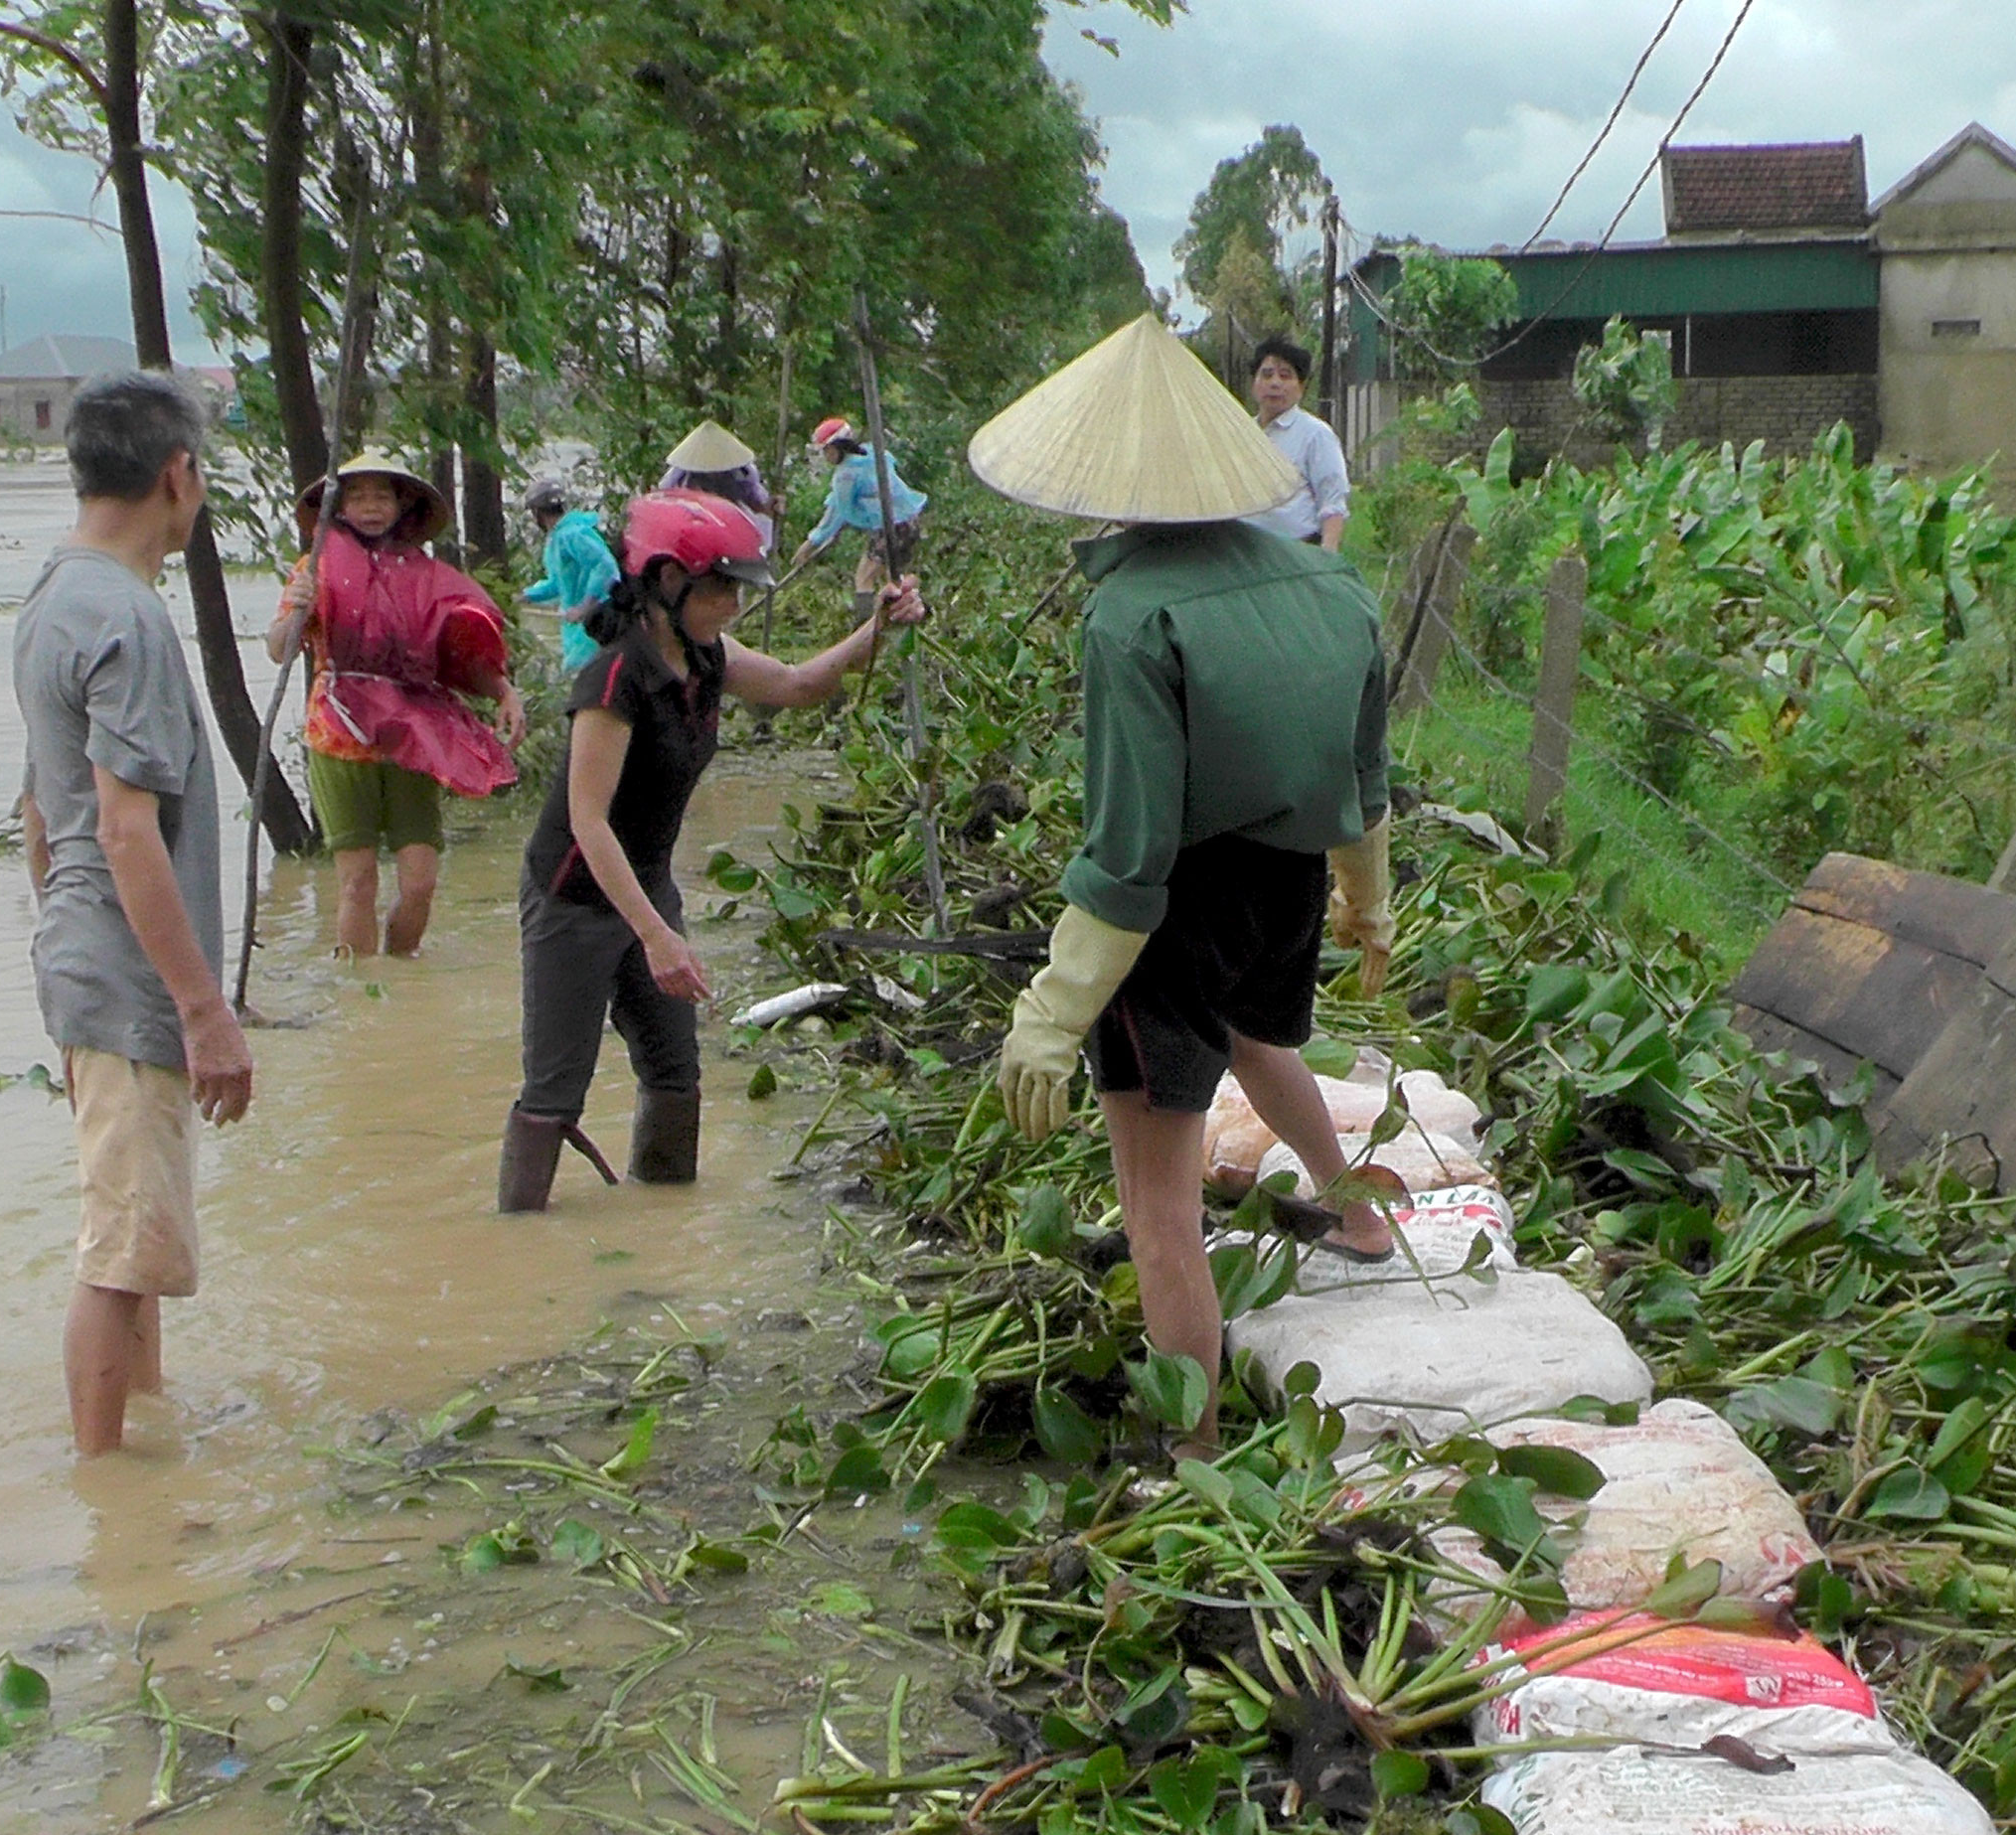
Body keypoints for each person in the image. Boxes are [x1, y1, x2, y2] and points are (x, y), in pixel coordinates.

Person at [966, 315, 1399, 1443]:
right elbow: (1364, 781)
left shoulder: (1129, 617)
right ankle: (1356, 1217)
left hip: (1182, 907)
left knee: (1156, 1206)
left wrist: (1052, 1013)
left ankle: (1191, 1453)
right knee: (1259, 1041)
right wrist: (1368, 903)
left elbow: (1129, 858)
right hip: (1289, 883)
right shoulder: (1333, 586)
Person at [505, 492, 926, 1212]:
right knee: (556, 1091)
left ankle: (663, 1224)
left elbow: (797, 685)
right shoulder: (614, 679)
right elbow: (587, 820)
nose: (734, 601)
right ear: (667, 583)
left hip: (645, 889)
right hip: (575, 898)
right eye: (722, 586)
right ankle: (516, 1241)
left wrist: (875, 628)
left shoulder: (707, 656)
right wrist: (657, 937)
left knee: (674, 1072)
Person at [9, 370, 253, 1457]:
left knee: (140, 1236)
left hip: (83, 958)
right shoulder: (126, 617)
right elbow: (121, 831)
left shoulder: (54, 594)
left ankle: (148, 1444)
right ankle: (108, 1503)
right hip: (129, 975)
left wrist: (68, 939)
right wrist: (202, 1007)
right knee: (120, 1248)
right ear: (177, 475)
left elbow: (36, 808)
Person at [265, 452, 521, 960]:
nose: (370, 507)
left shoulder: (427, 575)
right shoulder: (314, 566)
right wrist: (298, 604)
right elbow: (279, 648)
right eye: (357, 496)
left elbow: (454, 655)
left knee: (421, 880)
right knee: (357, 881)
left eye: (381, 495)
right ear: (338, 508)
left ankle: (402, 970)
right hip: (341, 734)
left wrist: (503, 692)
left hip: (413, 732)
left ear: (403, 504)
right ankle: (364, 993)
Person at [795, 416, 927, 605]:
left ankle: (864, 625)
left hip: (891, 526)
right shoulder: (871, 455)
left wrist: (810, 544)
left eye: (828, 450)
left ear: (840, 446)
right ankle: (899, 617)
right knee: (893, 579)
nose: (826, 456)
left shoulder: (846, 474)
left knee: (864, 578)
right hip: (910, 521)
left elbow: (837, 511)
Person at [1242, 336, 1351, 551]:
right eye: (1267, 374)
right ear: (1254, 383)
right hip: (1245, 553)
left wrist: (1326, 555)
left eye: (1285, 376)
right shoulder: (1242, 433)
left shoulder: (1316, 434)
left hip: (1297, 551)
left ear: (1300, 387)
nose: (1275, 383)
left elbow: (1332, 499)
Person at [519, 480, 618, 681]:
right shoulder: (559, 536)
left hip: (593, 625)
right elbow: (558, 583)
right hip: (576, 628)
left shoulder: (572, 534)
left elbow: (606, 566)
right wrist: (526, 596)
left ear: (537, 512)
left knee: (581, 679)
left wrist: (585, 606)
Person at [655, 419, 778, 556]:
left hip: (733, 527)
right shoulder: (681, 477)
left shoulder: (741, 473)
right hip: (695, 530)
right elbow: (668, 499)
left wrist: (771, 508)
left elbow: (756, 501)